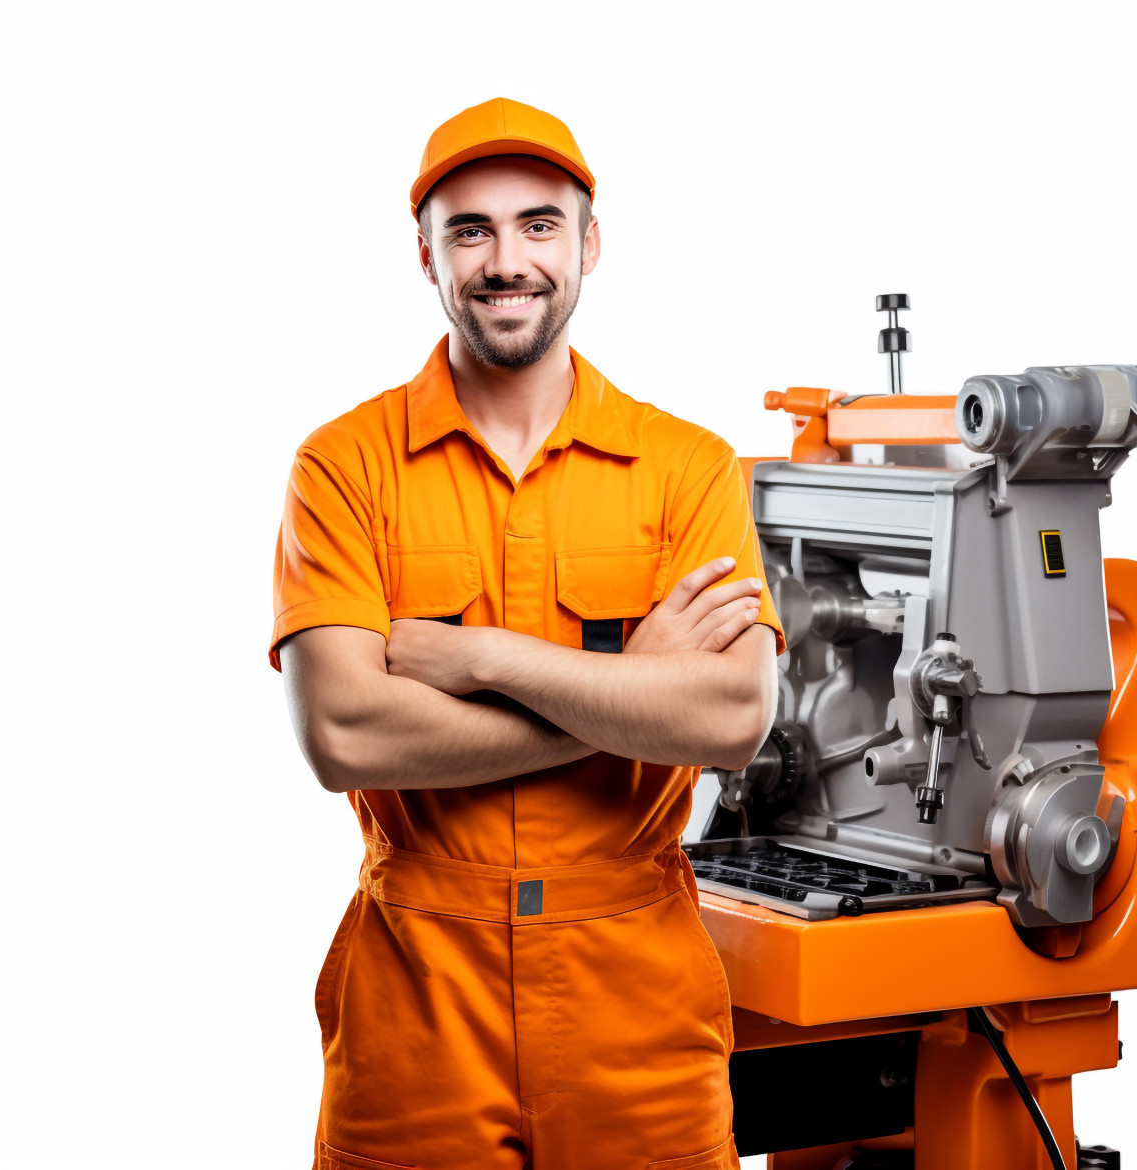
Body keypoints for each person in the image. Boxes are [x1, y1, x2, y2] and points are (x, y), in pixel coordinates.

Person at [270, 96, 786, 1170]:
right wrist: (627, 689)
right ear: (426, 257)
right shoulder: (343, 467)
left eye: (539, 224)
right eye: (471, 230)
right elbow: (344, 735)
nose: (508, 260)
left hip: (634, 1000)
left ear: (589, 244)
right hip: (417, 1004)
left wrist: (480, 661)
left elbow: (732, 718)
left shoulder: (683, 468)